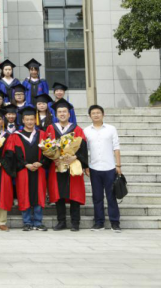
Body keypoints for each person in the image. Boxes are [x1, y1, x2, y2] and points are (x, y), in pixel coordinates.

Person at [46, 99, 88, 232]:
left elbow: (83, 147)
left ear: (69, 114)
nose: (62, 114)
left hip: (73, 166)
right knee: (58, 194)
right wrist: (53, 158)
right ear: (56, 114)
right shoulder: (50, 128)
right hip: (56, 165)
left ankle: (75, 222)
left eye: (64, 112)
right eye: (59, 112)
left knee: (74, 193)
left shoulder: (77, 129)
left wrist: (75, 157)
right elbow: (47, 146)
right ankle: (61, 222)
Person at [9, 107, 49, 232]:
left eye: (32, 119)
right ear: (23, 120)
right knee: (24, 194)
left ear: (35, 120)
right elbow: (14, 154)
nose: (30, 122)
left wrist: (41, 163)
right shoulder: (16, 136)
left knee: (39, 194)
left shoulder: (42, 134)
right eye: (27, 119)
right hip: (23, 170)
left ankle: (38, 222)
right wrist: (25, 164)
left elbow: (49, 152)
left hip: (39, 169)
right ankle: (27, 222)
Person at [84, 105, 122, 233]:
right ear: (90, 116)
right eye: (93, 113)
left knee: (111, 196)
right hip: (94, 168)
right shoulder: (86, 131)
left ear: (103, 114)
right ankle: (99, 222)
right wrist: (86, 166)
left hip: (110, 167)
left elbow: (116, 147)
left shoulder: (111, 129)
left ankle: (115, 222)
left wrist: (118, 165)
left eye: (98, 113)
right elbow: (85, 150)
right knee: (97, 197)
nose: (96, 115)